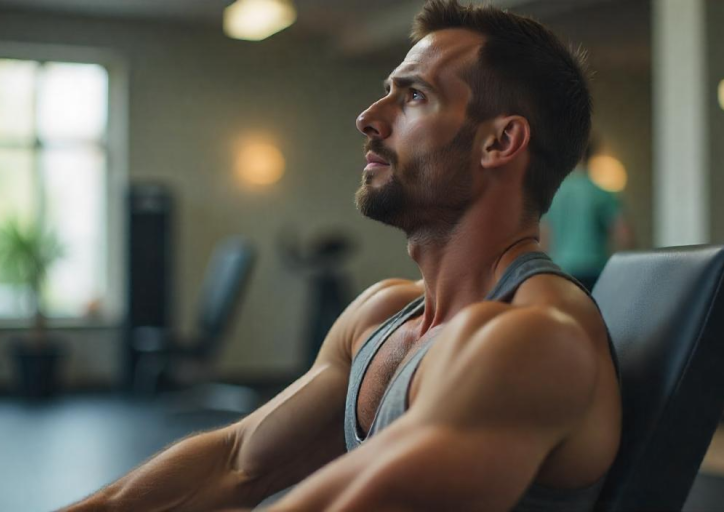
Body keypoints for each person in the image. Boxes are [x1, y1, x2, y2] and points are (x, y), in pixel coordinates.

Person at [67, 1, 621, 510]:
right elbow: (235, 462)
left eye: (414, 97)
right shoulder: (382, 315)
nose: (369, 117)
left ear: (500, 143)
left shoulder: (534, 340)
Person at [541, 140, 634, 290]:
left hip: (561, 271)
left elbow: (544, 237)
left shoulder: (553, 194)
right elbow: (625, 236)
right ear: (591, 155)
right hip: (594, 271)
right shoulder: (601, 193)